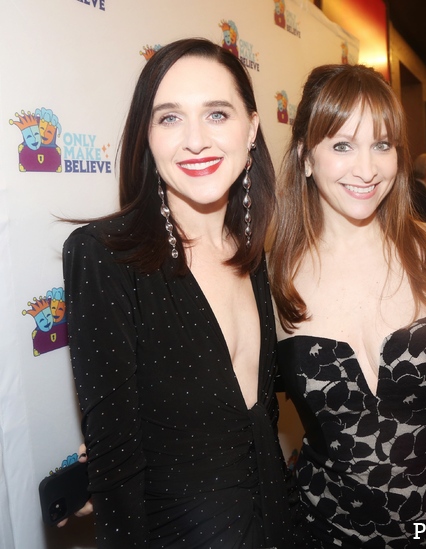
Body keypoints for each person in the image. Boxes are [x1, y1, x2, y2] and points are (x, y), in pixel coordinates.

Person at [62, 38, 295, 549]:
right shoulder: (103, 258)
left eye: (217, 114)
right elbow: (118, 473)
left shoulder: (252, 253)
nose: (195, 140)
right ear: (146, 135)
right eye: (169, 118)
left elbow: (261, 421)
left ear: (252, 128)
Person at [269, 64, 426, 547]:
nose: (366, 169)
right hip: (322, 529)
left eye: (381, 145)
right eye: (342, 145)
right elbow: (226, 404)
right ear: (306, 157)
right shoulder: (273, 280)